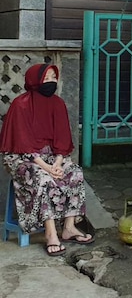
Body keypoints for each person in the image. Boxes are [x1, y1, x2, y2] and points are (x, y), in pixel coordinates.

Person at [0, 63, 93, 256]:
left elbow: (62, 140)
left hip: (51, 157)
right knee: (43, 179)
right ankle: (51, 234)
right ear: (35, 81)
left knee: (75, 172)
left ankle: (68, 227)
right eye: (47, 78)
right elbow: (23, 145)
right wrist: (48, 169)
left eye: (53, 78)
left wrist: (58, 163)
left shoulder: (57, 103)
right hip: (21, 158)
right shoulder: (21, 104)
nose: (51, 82)